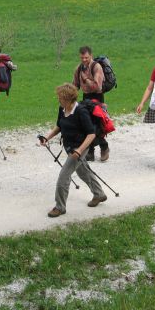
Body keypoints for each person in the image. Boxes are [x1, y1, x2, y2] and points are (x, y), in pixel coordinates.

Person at [39, 83, 106, 218]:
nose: (58, 99)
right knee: (83, 172)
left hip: (81, 148)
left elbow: (91, 134)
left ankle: (60, 207)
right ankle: (99, 194)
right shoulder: (62, 109)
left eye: (60, 97)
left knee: (64, 176)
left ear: (68, 99)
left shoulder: (81, 111)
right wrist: (47, 137)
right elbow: (59, 126)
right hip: (70, 147)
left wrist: (80, 151)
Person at [73, 46, 110, 162]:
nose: (84, 60)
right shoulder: (79, 69)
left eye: (86, 57)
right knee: (86, 124)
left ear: (91, 56)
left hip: (97, 98)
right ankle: (90, 152)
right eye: (82, 57)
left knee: (97, 125)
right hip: (86, 97)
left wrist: (85, 79)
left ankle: (104, 147)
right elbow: (75, 85)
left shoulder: (96, 67)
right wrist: (69, 96)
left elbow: (97, 86)